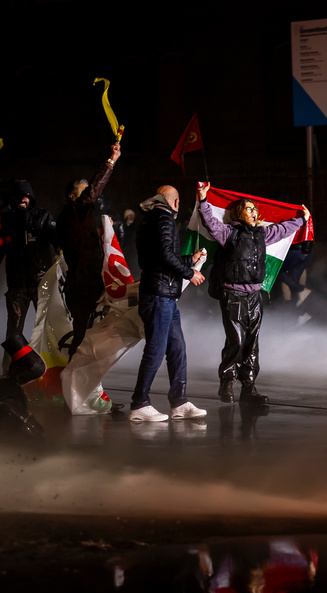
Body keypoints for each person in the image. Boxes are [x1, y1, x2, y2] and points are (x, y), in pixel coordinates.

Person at [197, 184, 309, 405]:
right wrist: (203, 201)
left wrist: (302, 220)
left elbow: (282, 230)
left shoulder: (261, 234)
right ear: (240, 213)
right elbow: (210, 222)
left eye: (255, 209)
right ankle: (227, 382)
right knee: (236, 341)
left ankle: (248, 387)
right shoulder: (229, 233)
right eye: (249, 209)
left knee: (252, 344)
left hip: (255, 296)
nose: (254, 212)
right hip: (233, 294)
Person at [129, 185, 207, 422]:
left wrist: (189, 259)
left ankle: (179, 402)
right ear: (175, 203)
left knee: (176, 348)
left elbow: (158, 258)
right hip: (159, 296)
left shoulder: (150, 219)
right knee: (156, 349)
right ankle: (140, 403)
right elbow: (164, 256)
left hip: (164, 296)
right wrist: (190, 272)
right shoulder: (164, 219)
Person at [56, 143, 121, 357]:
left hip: (88, 282)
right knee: (82, 334)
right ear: (72, 197)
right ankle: (74, 374)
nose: (90, 196)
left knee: (89, 332)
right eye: (83, 193)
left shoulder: (80, 218)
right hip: (82, 284)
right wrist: (110, 163)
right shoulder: (72, 214)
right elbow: (93, 191)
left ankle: (82, 373)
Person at [1, 180, 57, 339]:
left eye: (25, 196)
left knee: (49, 326)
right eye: (17, 196)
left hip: (41, 281)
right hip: (17, 285)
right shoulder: (6, 220)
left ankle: (51, 355)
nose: (21, 200)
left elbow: (59, 240)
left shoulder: (43, 216)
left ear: (30, 197)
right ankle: (16, 356)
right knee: (14, 331)